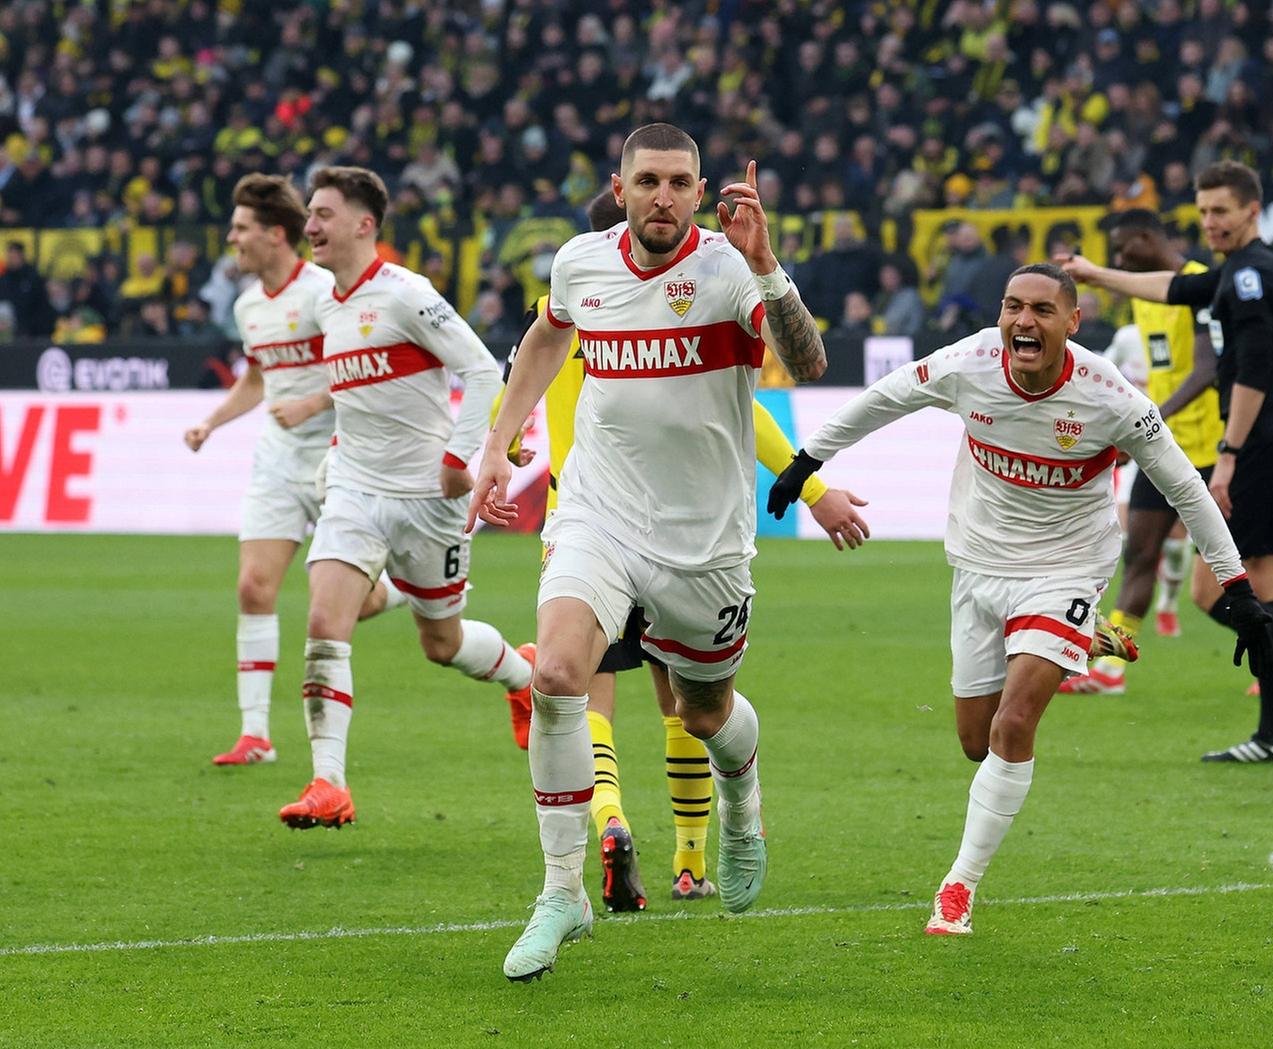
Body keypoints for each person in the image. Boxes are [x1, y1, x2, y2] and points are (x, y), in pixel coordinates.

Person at [766, 264, 1273, 936]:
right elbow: (888, 397)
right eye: (1012, 307)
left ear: (1072, 321)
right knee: (976, 743)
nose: (1023, 322)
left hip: (1065, 569)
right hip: (978, 566)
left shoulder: (1112, 399)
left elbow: (1186, 488)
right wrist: (807, 461)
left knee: (1013, 727)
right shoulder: (970, 363)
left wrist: (1237, 588)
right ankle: (1068, 637)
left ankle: (957, 889)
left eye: (1040, 309)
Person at [470, 124, 829, 981]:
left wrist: (769, 264)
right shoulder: (580, 262)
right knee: (556, 673)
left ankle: (741, 794)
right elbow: (548, 337)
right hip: (598, 512)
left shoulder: (729, 270)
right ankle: (562, 893)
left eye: (678, 183)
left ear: (700, 193)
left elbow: (807, 362)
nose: (662, 197)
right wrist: (499, 440)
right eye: (647, 182)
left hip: (703, 540)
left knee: (704, 714)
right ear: (621, 187)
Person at [525, 189, 872, 911]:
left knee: (670, 701)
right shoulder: (573, 305)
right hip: (594, 525)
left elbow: (519, 402)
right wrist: (812, 491)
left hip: (682, 531)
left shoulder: (687, 294)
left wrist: (490, 454)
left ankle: (617, 818)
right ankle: (675, 858)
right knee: (592, 683)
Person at [1059, 161, 1273, 765]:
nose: (1210, 223)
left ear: (1252, 210)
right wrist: (1097, 274)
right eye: (1202, 212)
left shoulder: (1248, 280)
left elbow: (1249, 374)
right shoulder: (1247, 272)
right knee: (1261, 594)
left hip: (1260, 443)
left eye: (1221, 211)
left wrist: (1227, 458)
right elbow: (1173, 288)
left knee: (1211, 589)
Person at [280, 166, 532, 829]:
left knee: (441, 643)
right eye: (310, 213)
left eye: (324, 214)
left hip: (428, 499)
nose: (311, 225)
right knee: (323, 624)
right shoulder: (326, 303)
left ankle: (522, 675)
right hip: (356, 492)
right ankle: (328, 783)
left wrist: (463, 457)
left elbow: (481, 369)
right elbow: (357, 394)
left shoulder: (406, 296)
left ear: (365, 224)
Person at [183, 174, 407, 767]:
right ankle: (255, 734)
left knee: (338, 605)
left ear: (274, 234)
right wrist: (212, 422)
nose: (231, 239)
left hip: (339, 452)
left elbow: (363, 365)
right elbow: (258, 380)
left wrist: (312, 403)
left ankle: (402, 591)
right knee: (253, 586)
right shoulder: (247, 305)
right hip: (279, 459)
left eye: (240, 229)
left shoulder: (322, 293)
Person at [1061, 209, 1221, 694]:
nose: (1119, 257)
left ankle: (1269, 660)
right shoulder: (1141, 297)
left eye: (1125, 246)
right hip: (1164, 448)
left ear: (1148, 237)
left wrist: (1147, 422)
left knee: (1226, 573)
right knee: (1140, 554)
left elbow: (1207, 370)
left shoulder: (1200, 284)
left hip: (1214, 447)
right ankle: (1112, 669)